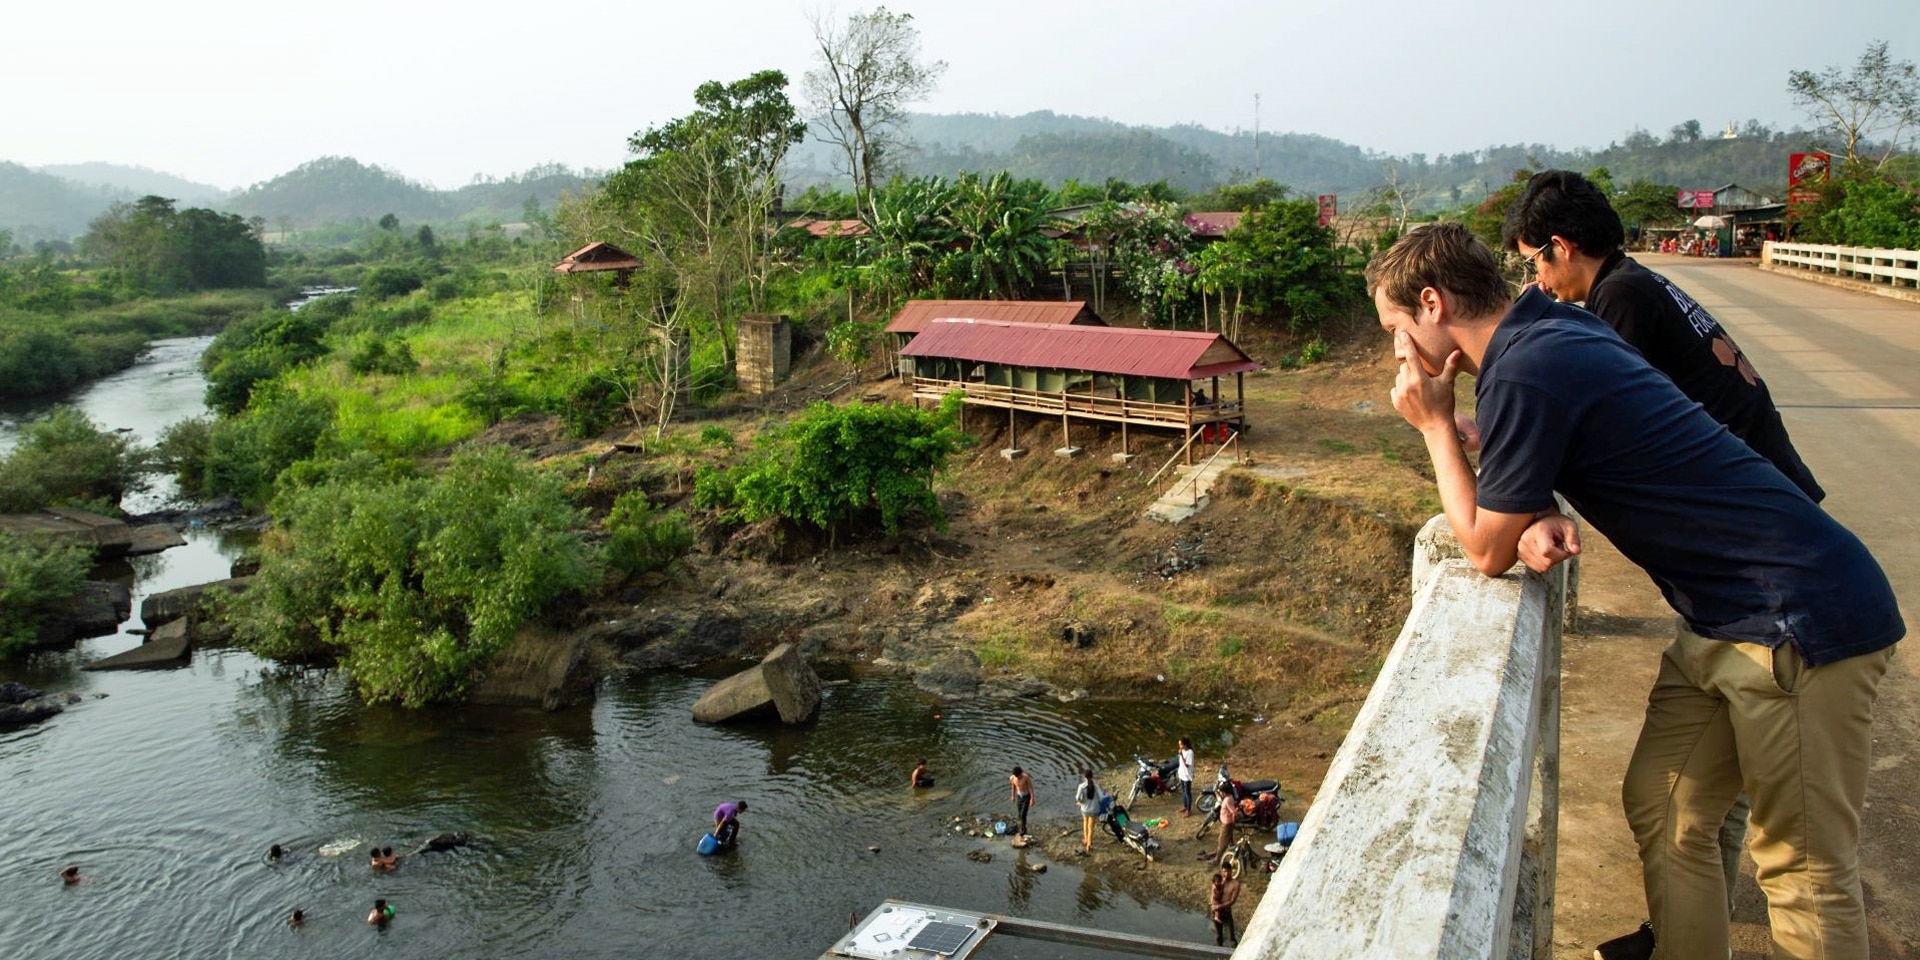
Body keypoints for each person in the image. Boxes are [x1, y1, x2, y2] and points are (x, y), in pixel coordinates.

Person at [1369, 222, 1901, 960]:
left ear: (1431, 303)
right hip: (1725, 617)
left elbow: (1486, 551)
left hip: (1797, 619)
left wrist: (1433, 425)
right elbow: (1560, 449)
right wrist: (1536, 504)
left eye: (1397, 329)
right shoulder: (1549, 328)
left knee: (1804, 875)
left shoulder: (1525, 367)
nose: (1399, 353)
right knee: (1668, 804)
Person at [1504, 171, 1827, 954]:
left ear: (1563, 247)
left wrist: (1526, 485)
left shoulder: (1620, 304)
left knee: (1767, 830)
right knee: (1704, 790)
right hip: (1762, 535)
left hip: (1761, 560)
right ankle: (1681, 927)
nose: (1538, 285)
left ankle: (1684, 929)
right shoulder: (1638, 287)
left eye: (1536, 265)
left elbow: (1600, 419)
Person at [1210, 866, 1242, 947]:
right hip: (1216, 911)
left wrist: (1219, 906)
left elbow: (1232, 901)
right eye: (1225, 871)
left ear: (1231, 871)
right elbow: (1213, 894)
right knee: (1218, 936)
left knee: (1231, 937)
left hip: (1226, 912)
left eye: (1228, 871)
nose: (1227, 873)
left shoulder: (1235, 884)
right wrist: (1213, 904)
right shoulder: (1219, 881)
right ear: (1222, 871)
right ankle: (1218, 955)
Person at [1074, 770, 1103, 855]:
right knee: (1091, 827)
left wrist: (1080, 803)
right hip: (1094, 809)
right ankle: (1089, 844)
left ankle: (1086, 839)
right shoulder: (1096, 786)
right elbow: (1101, 798)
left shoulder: (1081, 786)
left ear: (1084, 777)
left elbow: (1077, 798)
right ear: (1092, 776)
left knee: (1085, 822)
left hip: (1085, 809)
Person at [1210, 785, 1239, 863]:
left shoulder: (1227, 800)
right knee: (1229, 839)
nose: (1220, 793)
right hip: (1226, 822)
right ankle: (1232, 850)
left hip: (1227, 823)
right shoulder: (1229, 797)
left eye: (1221, 792)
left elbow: (1233, 812)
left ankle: (1217, 858)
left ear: (1225, 792)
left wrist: (1233, 822)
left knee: (1222, 841)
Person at [1008, 766, 1034, 839]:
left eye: (1019, 776)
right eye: (1017, 776)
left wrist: (1032, 798)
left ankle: (1024, 831)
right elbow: (1013, 787)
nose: (1018, 778)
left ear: (1021, 774)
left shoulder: (1026, 777)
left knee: (1023, 814)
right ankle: (1021, 826)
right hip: (1019, 796)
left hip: (1026, 797)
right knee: (1020, 814)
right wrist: (1012, 796)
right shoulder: (1012, 778)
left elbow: (1030, 788)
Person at [1176, 738, 1196, 817]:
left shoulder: (1190, 752)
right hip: (1182, 774)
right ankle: (1185, 807)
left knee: (1187, 793)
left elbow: (1187, 765)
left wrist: (1181, 755)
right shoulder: (1183, 751)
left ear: (1185, 744)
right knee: (1183, 791)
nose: (1179, 746)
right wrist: (1180, 754)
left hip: (1187, 775)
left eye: (1181, 744)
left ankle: (1189, 810)